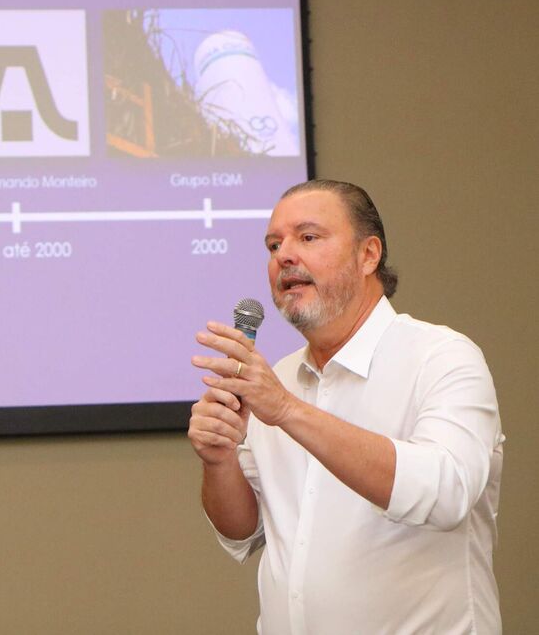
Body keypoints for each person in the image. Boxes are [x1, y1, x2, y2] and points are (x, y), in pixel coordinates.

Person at [188, 179, 503, 633]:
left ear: (368, 254)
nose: (284, 256)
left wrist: (287, 411)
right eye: (273, 244)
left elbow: (446, 493)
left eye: (308, 237)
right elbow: (244, 532)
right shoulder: (275, 378)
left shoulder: (441, 357)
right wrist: (218, 461)